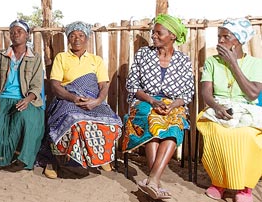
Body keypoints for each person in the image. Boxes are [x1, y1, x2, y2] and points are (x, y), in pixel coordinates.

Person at [122, 14, 194, 200]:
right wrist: (153, 101)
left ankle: (152, 180)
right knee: (152, 119)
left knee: (174, 122)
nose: (153, 36)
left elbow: (187, 94)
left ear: (172, 36)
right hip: (145, 101)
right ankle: (155, 182)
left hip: (173, 105)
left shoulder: (183, 61)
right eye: (153, 32)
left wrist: (172, 106)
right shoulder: (143, 54)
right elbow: (132, 86)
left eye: (158, 33)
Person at [39, 21, 122, 179]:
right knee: (74, 121)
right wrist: (74, 98)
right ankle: (55, 162)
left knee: (112, 123)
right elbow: (55, 86)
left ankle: (100, 156)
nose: (76, 38)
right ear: (68, 39)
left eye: (81, 35)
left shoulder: (96, 60)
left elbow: (103, 86)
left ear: (87, 38)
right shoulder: (61, 58)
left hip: (93, 100)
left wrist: (96, 101)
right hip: (68, 99)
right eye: (72, 35)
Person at [197, 18, 262, 202]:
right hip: (218, 108)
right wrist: (217, 107)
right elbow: (206, 93)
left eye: (226, 37)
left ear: (239, 40)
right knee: (218, 132)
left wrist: (233, 63)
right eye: (219, 36)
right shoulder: (212, 62)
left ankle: (244, 187)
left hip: (247, 110)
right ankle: (219, 182)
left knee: (247, 135)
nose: (220, 41)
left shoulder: (256, 64)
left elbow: (252, 94)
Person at [0, 19, 44, 172]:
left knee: (25, 117)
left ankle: (21, 159)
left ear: (27, 35)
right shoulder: (1, 55)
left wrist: (27, 100)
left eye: (19, 32)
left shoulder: (35, 57)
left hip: (25, 99)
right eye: (12, 32)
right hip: (3, 98)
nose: (15, 35)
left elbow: (36, 85)